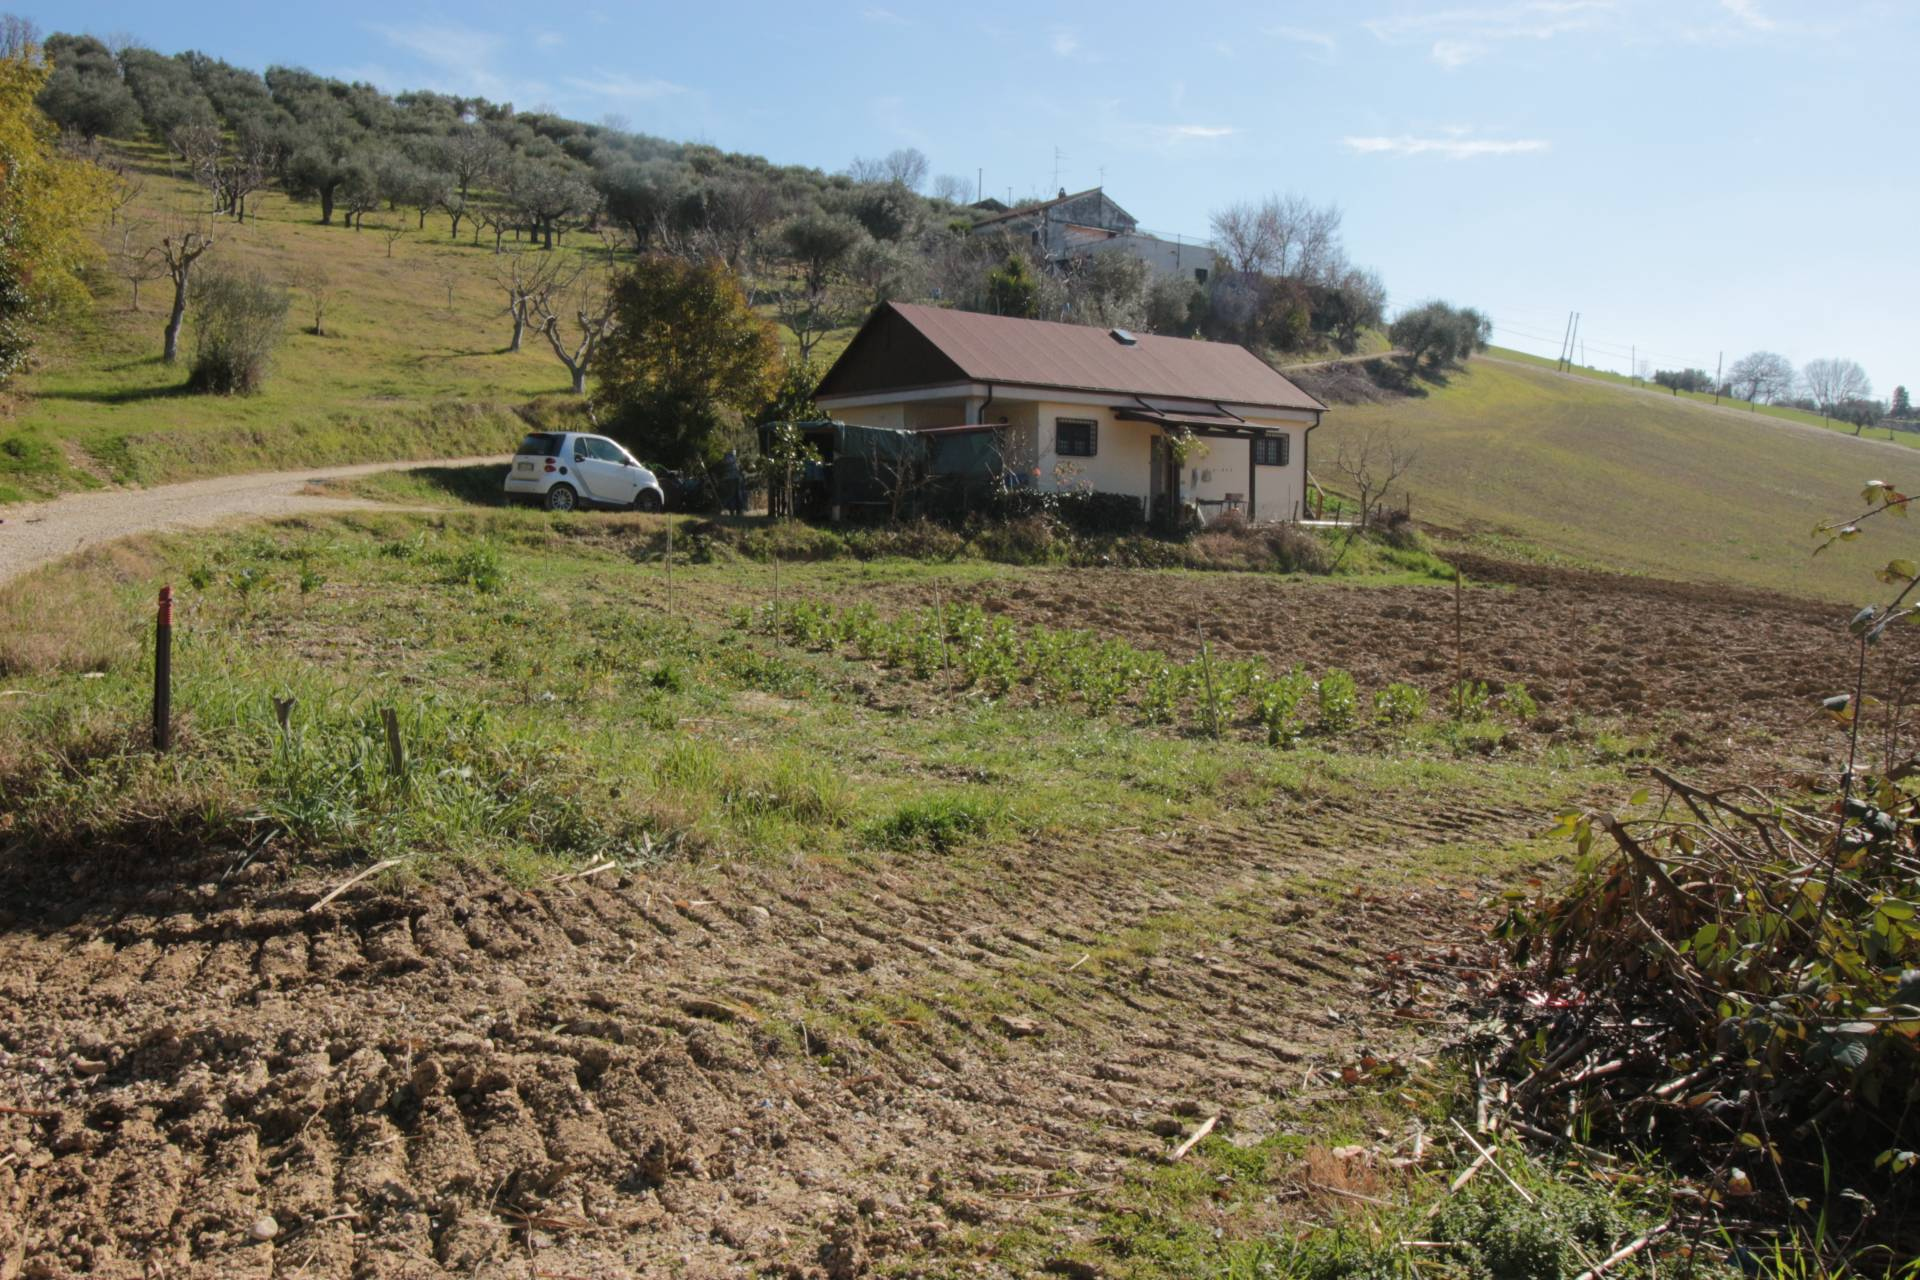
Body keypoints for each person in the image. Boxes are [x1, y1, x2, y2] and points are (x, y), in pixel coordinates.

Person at [722, 449, 745, 516]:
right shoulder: (729, 458)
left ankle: (738, 510)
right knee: (733, 495)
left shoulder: (731, 459)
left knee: (737, 494)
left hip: (734, 478)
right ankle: (734, 510)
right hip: (732, 478)